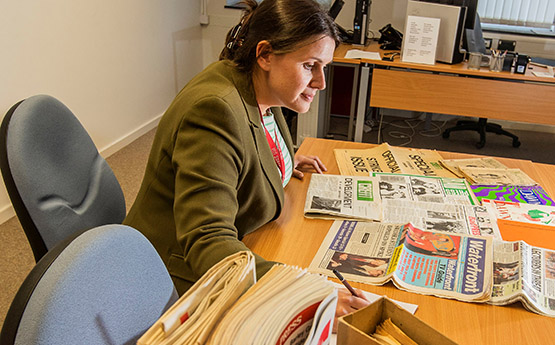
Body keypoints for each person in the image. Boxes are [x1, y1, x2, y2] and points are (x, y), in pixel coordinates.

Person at [124, 0, 369, 331]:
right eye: (310, 65)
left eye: (324, 66)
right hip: (176, 277)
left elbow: (248, 141)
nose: (321, 82)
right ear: (266, 55)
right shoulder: (214, 110)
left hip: (241, 242)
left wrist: (282, 156)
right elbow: (208, 239)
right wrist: (306, 294)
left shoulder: (261, 86)